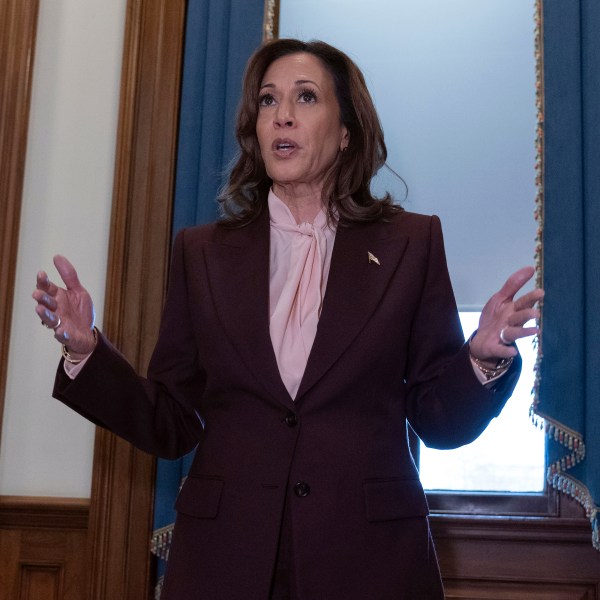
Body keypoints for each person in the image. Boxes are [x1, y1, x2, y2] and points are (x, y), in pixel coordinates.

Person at [33, 39, 543, 599]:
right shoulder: (201, 252)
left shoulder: (410, 244)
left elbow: (439, 419)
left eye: (305, 97)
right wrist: (86, 351)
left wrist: (479, 359)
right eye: (268, 100)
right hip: (226, 559)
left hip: (367, 560)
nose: (282, 115)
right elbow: (173, 421)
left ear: (346, 130)